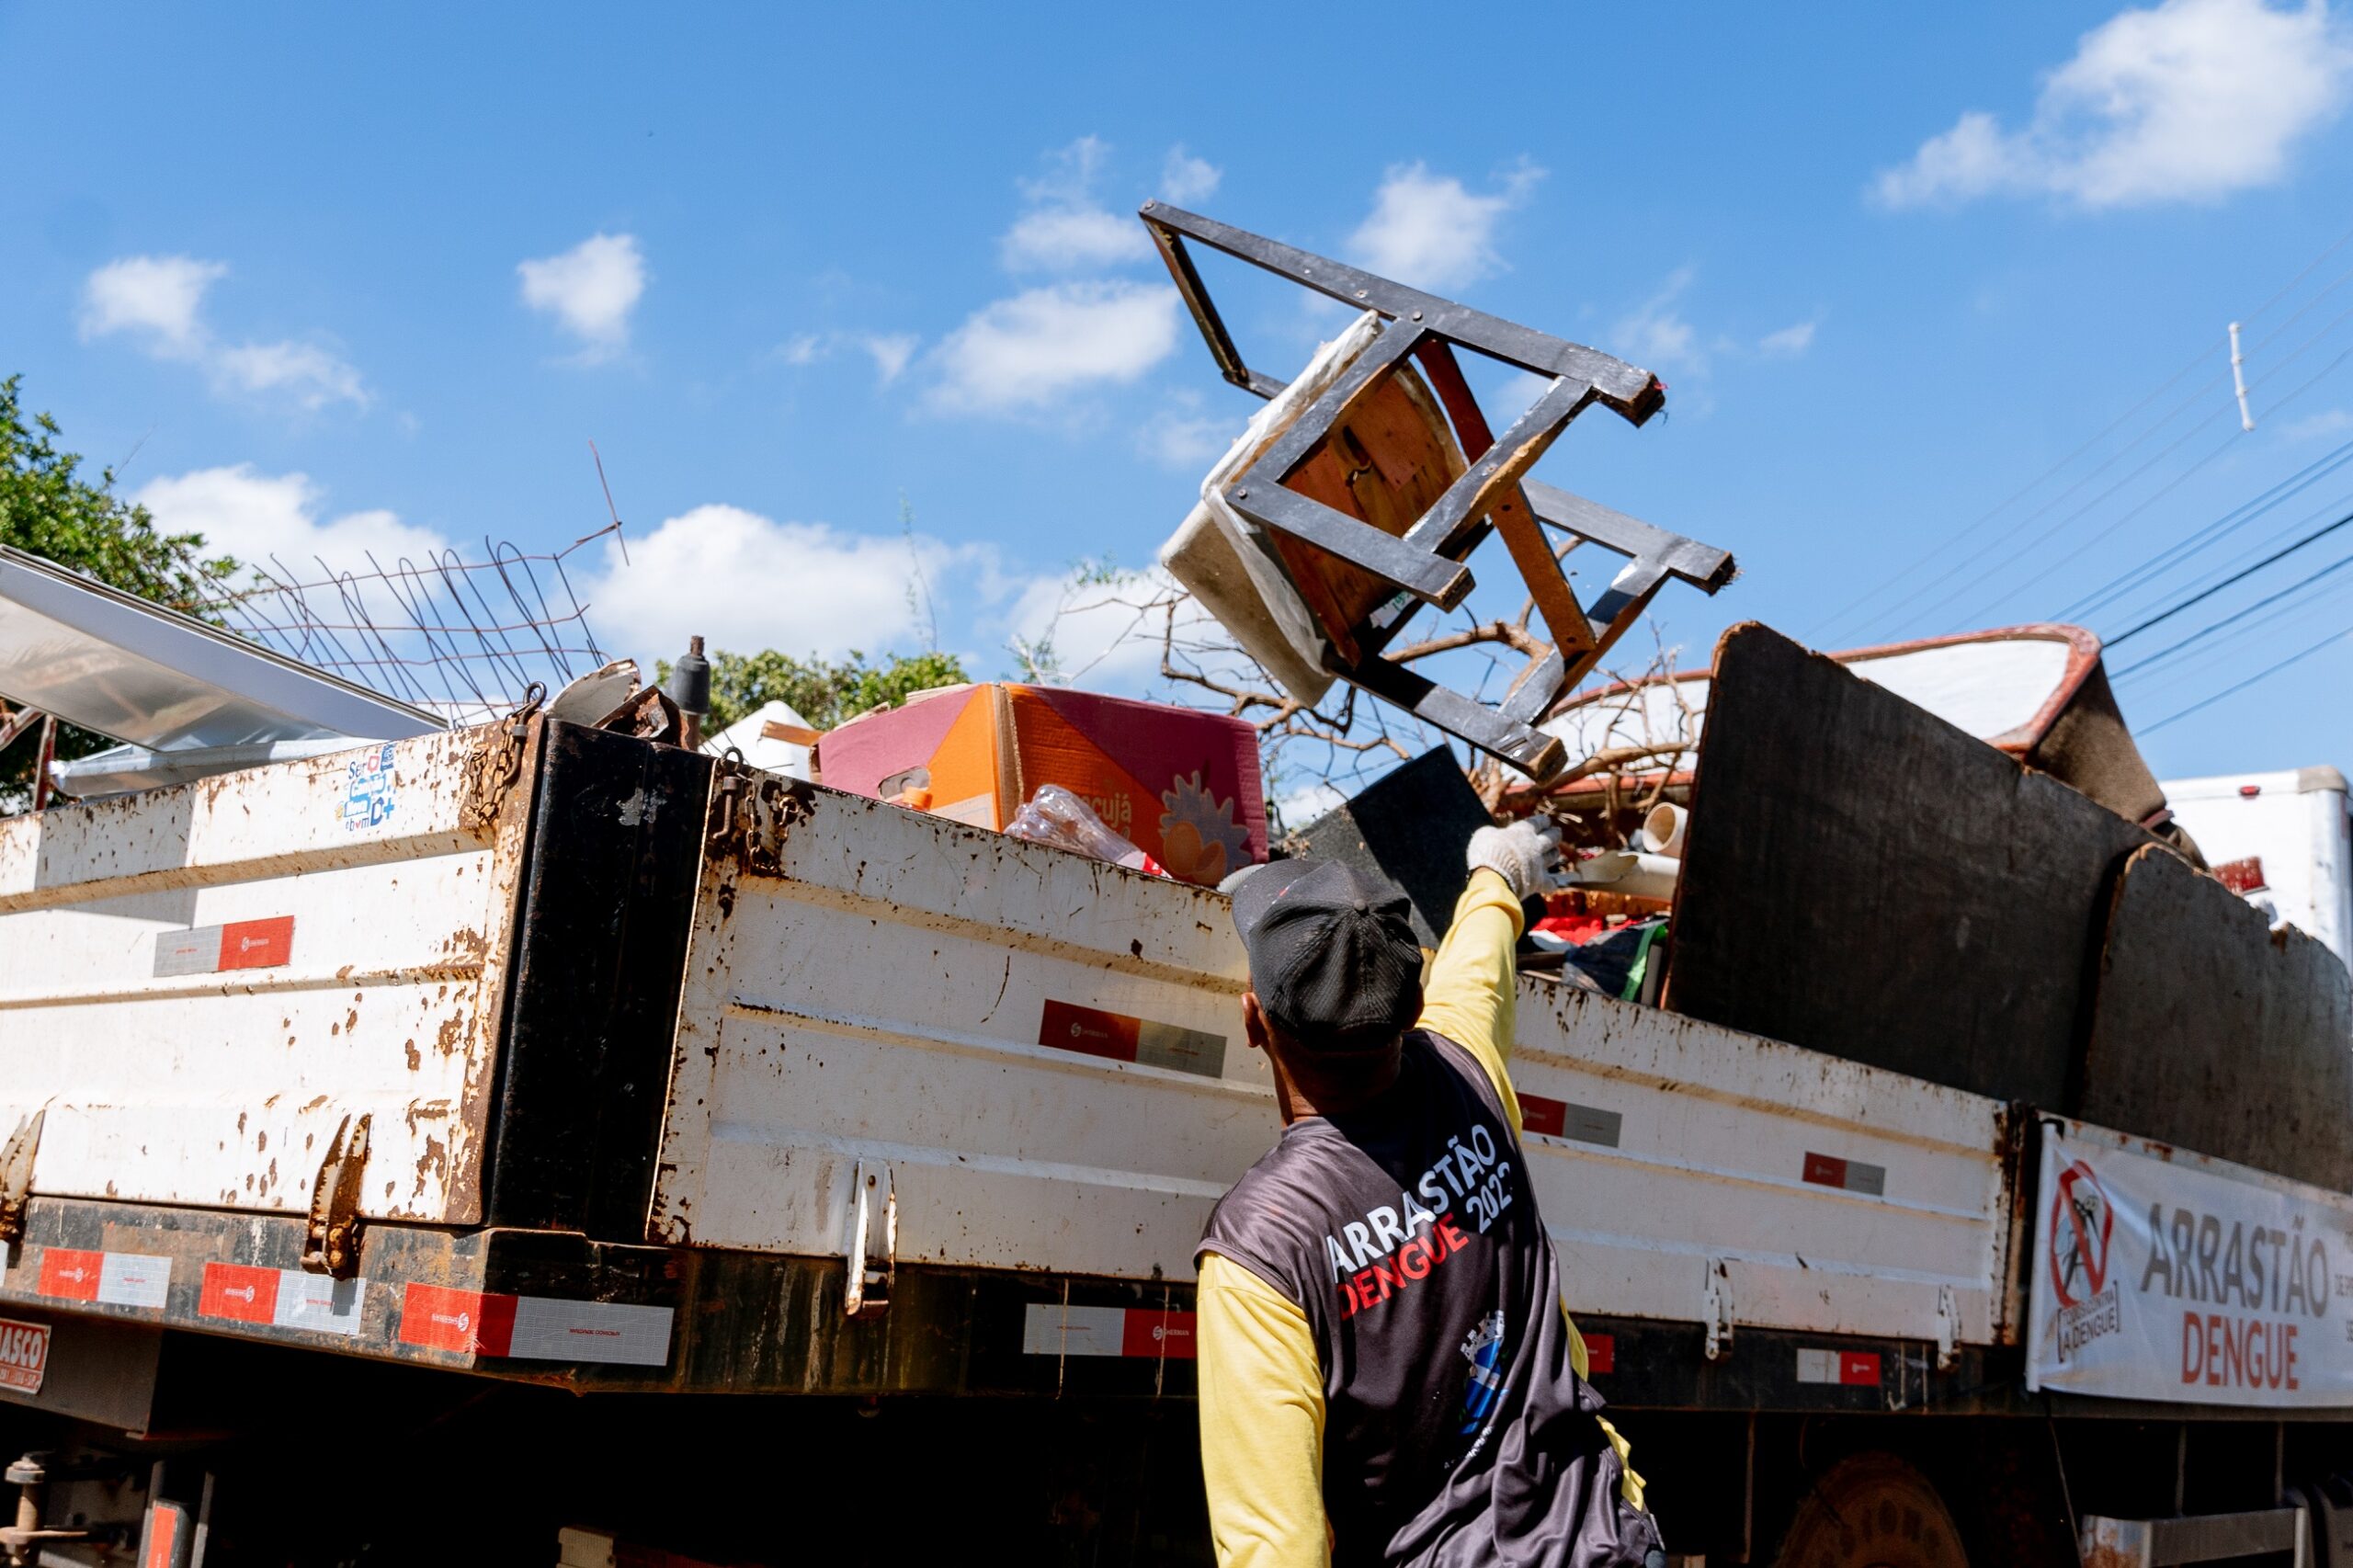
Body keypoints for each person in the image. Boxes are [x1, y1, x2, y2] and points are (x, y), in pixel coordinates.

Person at [1197, 819, 1664, 1568]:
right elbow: (1477, 972)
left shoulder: (1262, 1250)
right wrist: (1496, 875)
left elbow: (1275, 1546)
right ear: (1412, 1013)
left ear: (1254, 1023)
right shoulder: (1467, 1071)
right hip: (1603, 1537)